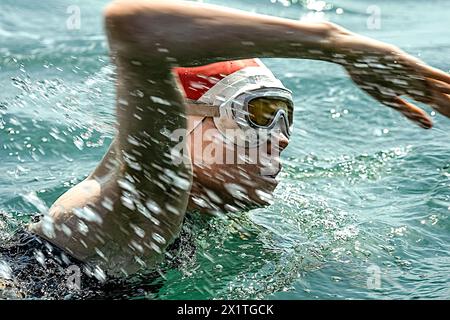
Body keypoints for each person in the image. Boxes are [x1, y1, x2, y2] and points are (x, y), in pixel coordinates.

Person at [2, 0, 450, 293]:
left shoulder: (187, 214)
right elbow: (135, 27)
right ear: (183, 125)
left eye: (285, 116)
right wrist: (338, 45)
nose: (281, 136)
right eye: (257, 112)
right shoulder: (141, 205)